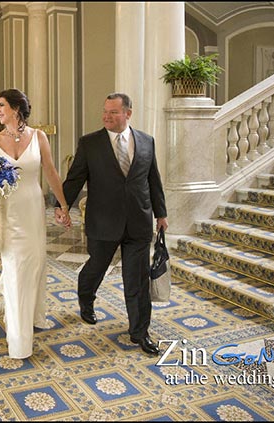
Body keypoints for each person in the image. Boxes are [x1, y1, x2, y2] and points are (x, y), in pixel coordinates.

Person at [55, 92, 168, 355]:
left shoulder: (146, 141)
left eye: (113, 112)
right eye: (105, 111)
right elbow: (75, 179)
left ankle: (140, 332)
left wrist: (160, 214)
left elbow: (153, 180)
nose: (106, 116)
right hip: (102, 220)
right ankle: (86, 299)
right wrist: (62, 207)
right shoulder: (90, 143)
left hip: (138, 221)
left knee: (137, 279)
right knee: (96, 266)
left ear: (128, 113)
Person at [0, 88, 71, 359]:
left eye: (1, 105)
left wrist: (63, 206)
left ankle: (32, 313)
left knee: (34, 263)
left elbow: (51, 172)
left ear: (16, 109)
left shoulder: (38, 137)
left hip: (33, 210)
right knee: (15, 266)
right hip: (7, 213)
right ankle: (19, 340)